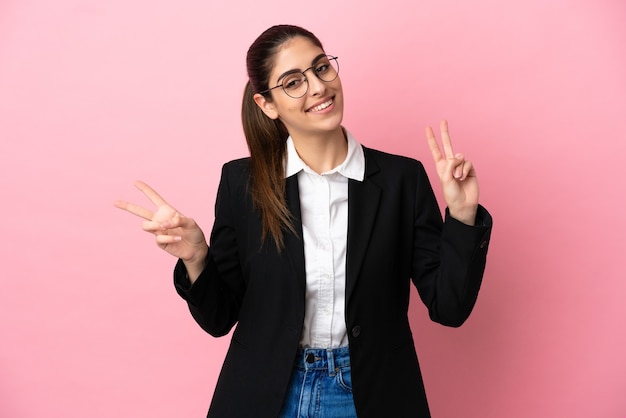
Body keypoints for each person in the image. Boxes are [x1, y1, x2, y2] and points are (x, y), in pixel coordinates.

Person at [115, 24, 492, 418]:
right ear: (267, 105)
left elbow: (449, 308)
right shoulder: (241, 183)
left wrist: (463, 216)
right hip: (266, 392)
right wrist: (196, 259)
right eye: (293, 81)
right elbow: (218, 319)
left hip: (373, 392)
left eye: (321, 68)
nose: (317, 87)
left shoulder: (403, 180)